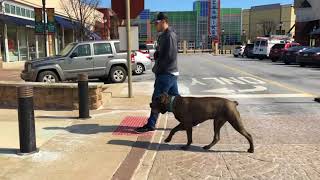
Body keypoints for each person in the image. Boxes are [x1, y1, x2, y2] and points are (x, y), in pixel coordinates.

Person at [136, 12, 180, 133]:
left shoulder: (169, 35)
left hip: (166, 73)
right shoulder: (163, 35)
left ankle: (151, 124)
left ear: (163, 21)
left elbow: (170, 56)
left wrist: (160, 69)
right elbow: (163, 53)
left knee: (156, 99)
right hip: (169, 73)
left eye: (157, 23)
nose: (155, 25)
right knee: (177, 102)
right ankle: (191, 119)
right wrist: (157, 54)